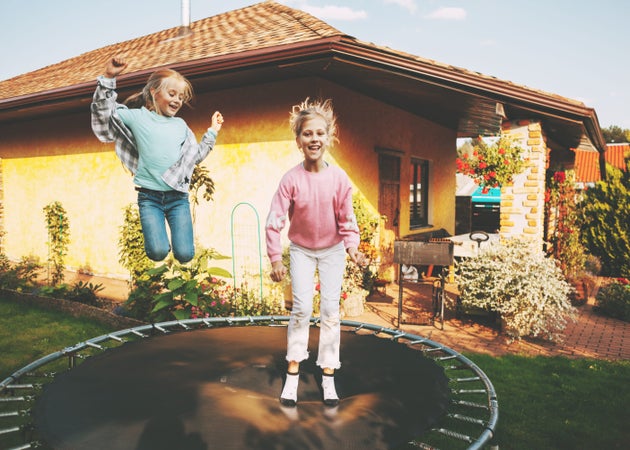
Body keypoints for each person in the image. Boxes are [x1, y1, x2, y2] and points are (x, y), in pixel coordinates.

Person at [266, 97, 365, 407]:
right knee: (301, 308)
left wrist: (352, 248)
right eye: (307, 133)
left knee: (331, 311)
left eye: (320, 133)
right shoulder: (291, 179)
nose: (314, 139)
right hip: (302, 251)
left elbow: (347, 220)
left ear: (329, 137)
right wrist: (275, 258)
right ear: (298, 140)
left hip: (333, 250)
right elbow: (274, 220)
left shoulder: (339, 179)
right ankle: (293, 373)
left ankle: (328, 375)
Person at [91, 56, 224, 263]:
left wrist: (212, 132)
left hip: (177, 198)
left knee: (185, 255)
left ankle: (177, 246)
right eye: (172, 94)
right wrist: (108, 77)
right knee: (157, 252)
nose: (177, 100)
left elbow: (194, 157)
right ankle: (160, 242)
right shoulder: (138, 117)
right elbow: (105, 111)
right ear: (154, 92)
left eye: (181, 97)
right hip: (149, 198)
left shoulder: (181, 126)